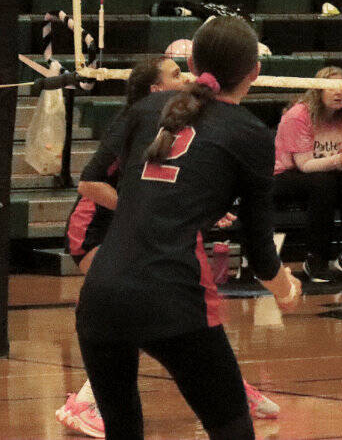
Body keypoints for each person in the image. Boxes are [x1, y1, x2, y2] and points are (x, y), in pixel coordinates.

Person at [74, 16, 301, 440]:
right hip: (174, 298)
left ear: (192, 63)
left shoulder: (144, 109)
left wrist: (149, 205)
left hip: (101, 296)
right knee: (233, 431)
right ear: (255, 71)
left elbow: (90, 178)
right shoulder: (251, 133)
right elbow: (258, 247)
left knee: (123, 431)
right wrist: (285, 289)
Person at [57, 56, 185, 437]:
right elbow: (89, 184)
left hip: (125, 230)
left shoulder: (171, 127)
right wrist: (136, 209)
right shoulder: (130, 123)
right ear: (156, 90)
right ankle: (85, 401)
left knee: (160, 304)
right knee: (133, 306)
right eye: (176, 74)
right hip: (93, 229)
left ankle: (226, 383)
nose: (186, 79)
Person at [272, 66, 342, 282]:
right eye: (331, 87)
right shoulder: (298, 115)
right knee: (323, 183)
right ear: (318, 91)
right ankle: (316, 257)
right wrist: (338, 161)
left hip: (326, 173)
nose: (339, 92)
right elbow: (305, 165)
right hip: (286, 173)